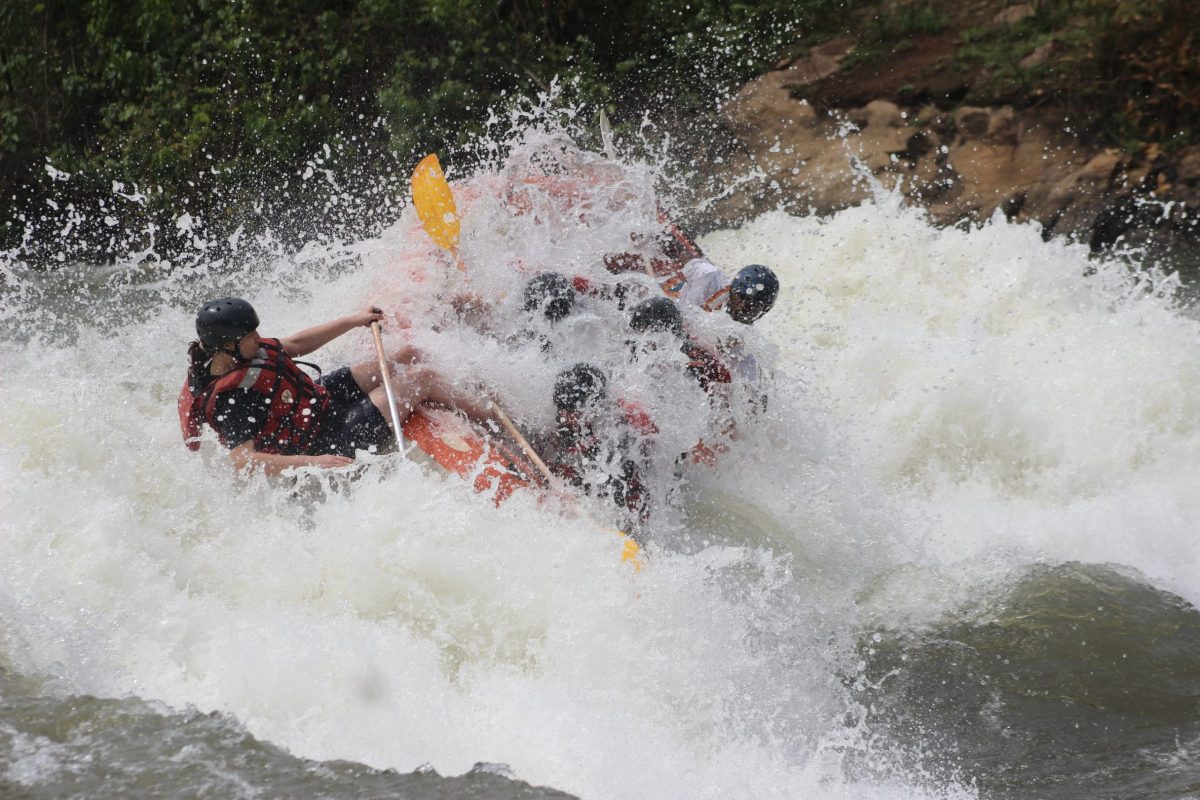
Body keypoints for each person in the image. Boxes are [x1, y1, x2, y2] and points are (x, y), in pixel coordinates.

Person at [178, 297, 487, 475]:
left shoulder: (242, 351)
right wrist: (316, 462)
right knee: (424, 378)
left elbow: (297, 343)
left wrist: (355, 320)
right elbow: (242, 460)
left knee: (408, 355)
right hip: (325, 439)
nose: (258, 339)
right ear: (228, 346)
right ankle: (491, 417)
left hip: (318, 401)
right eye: (250, 337)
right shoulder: (232, 400)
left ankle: (469, 389)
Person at [544, 363, 658, 526]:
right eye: (561, 408)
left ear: (593, 407)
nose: (565, 416)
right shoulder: (561, 421)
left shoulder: (624, 427)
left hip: (632, 483)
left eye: (572, 410)